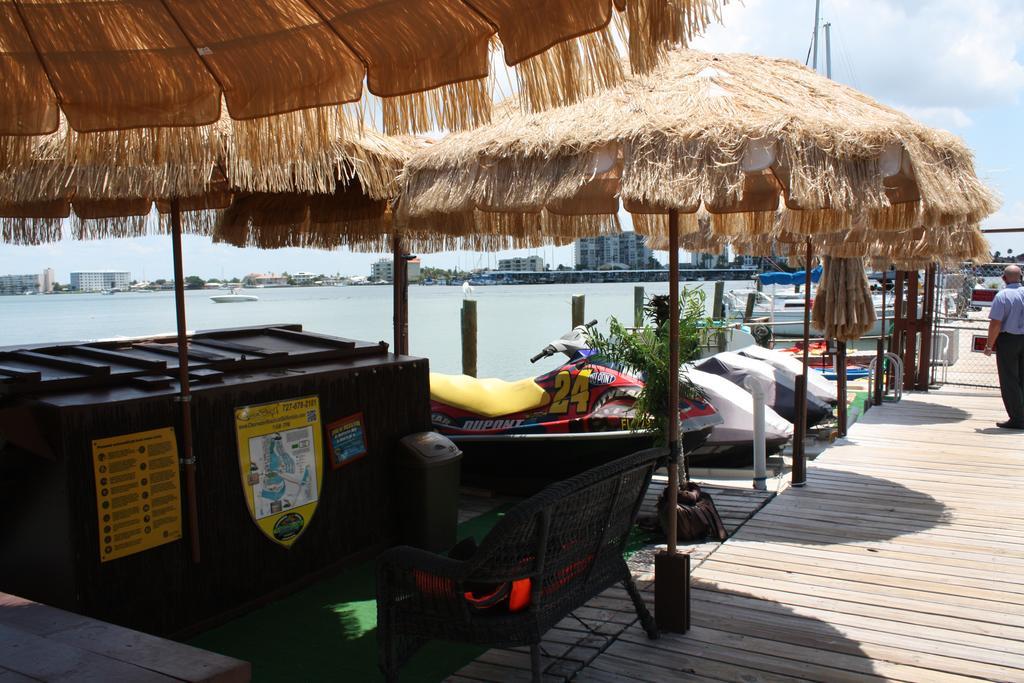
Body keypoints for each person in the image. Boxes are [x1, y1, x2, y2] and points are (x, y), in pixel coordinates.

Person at [985, 264, 1024, 429]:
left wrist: (989, 345)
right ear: (1021, 277)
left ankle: (1017, 418)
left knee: (1009, 379)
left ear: (1003, 278)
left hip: (1009, 340)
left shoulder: (1002, 296)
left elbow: (996, 323)